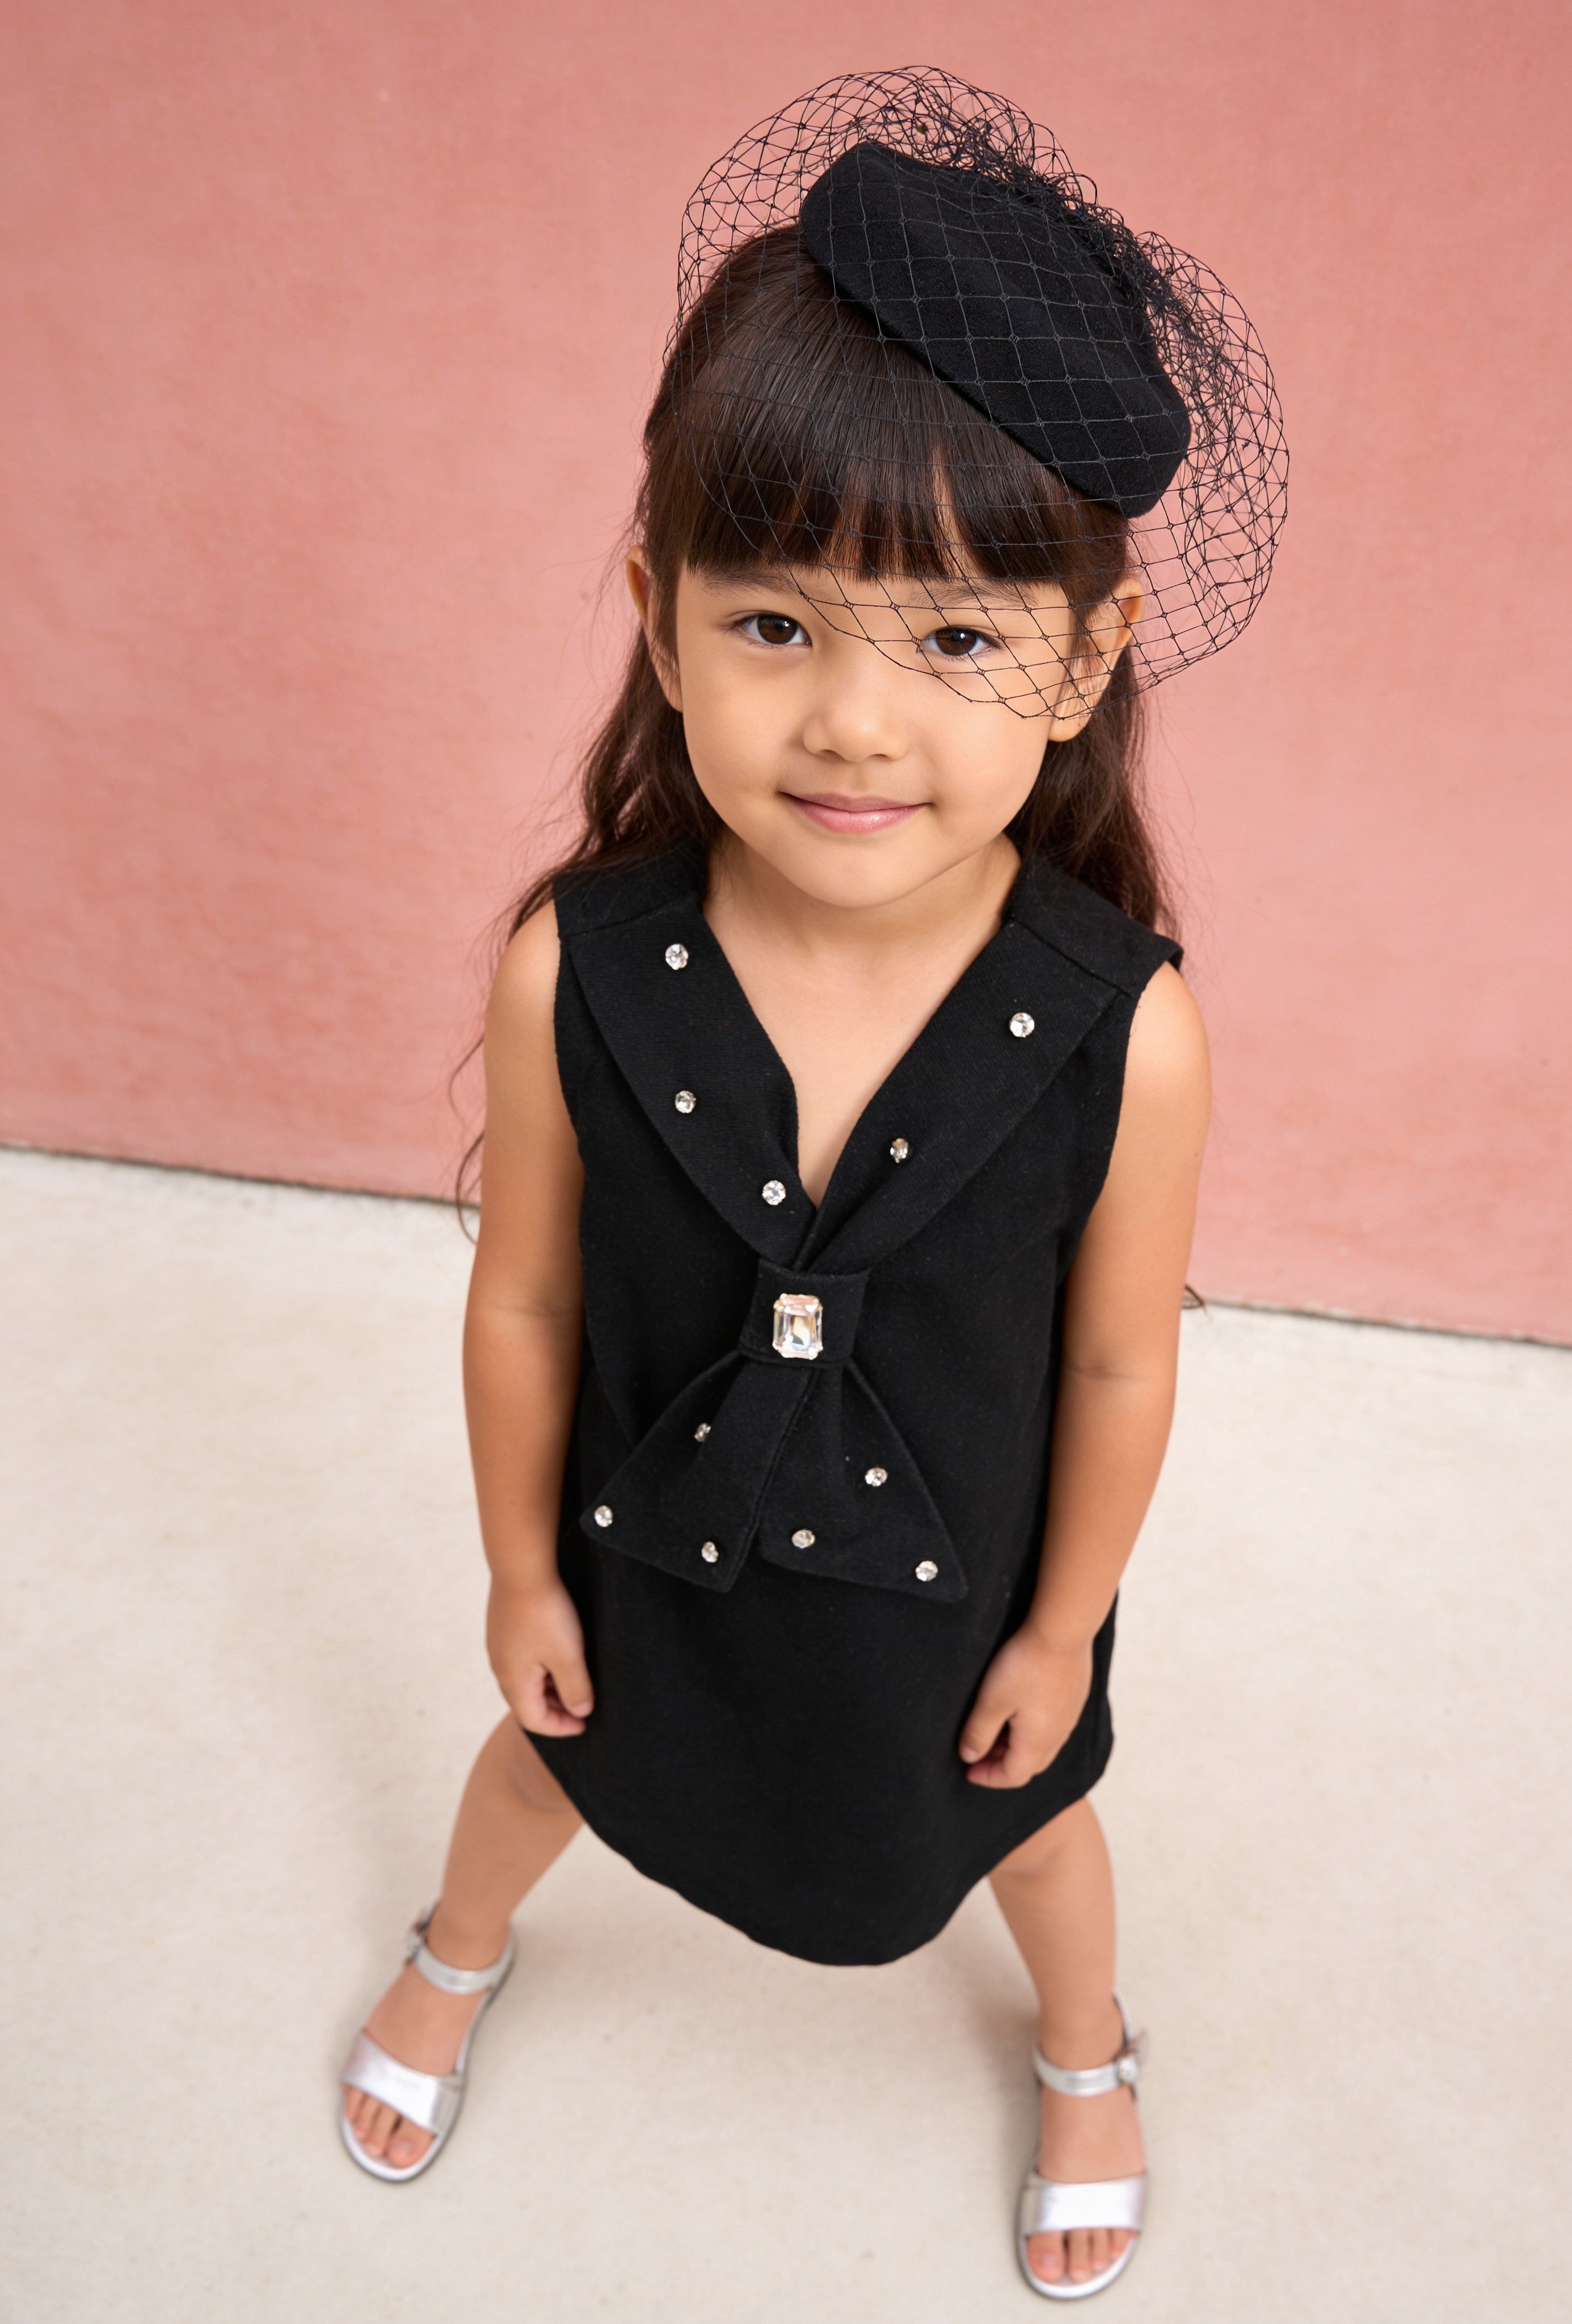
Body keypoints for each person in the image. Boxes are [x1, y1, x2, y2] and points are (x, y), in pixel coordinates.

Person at [336, 70, 1284, 2300]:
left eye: (955, 638)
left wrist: (1059, 1627)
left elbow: (1127, 1354)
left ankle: (1083, 2051)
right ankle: (457, 1948)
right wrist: (516, 1572)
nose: (855, 720)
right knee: (550, 1765)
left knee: (1032, 1827)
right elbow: (532, 1306)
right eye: (778, 625)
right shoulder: (579, 961)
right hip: (644, 1547)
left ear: (1088, 657)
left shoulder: (1118, 1021)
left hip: (950, 1592)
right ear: (661, 616)